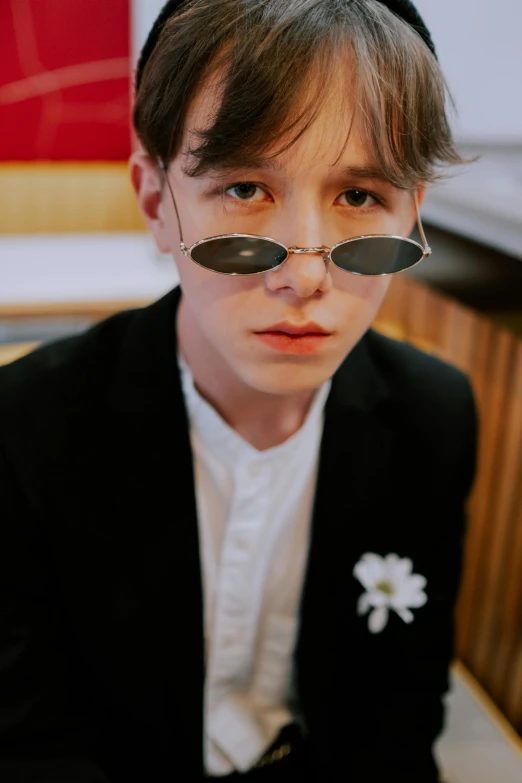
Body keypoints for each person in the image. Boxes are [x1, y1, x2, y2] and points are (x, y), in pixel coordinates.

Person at [0, 1, 478, 781]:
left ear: (411, 211)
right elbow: (31, 742)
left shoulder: (432, 415)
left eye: (359, 196)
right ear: (158, 202)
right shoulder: (26, 429)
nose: (305, 275)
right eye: (246, 187)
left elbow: (401, 713)